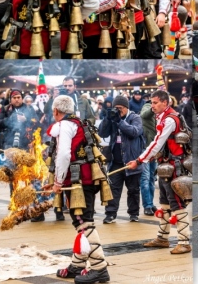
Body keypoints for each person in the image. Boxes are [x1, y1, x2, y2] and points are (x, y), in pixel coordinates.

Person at [49, 95, 111, 283]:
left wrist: (58, 181)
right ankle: (77, 265)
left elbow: (64, 155)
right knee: (82, 221)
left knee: (84, 223)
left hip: (78, 180)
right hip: (87, 177)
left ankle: (99, 268)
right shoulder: (79, 122)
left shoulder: (64, 125)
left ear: (56, 111)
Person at [127, 89, 192, 255]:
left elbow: (156, 143)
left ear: (165, 102)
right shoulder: (164, 117)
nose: (152, 105)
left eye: (155, 103)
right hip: (166, 164)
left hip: (174, 165)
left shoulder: (170, 119)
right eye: (152, 102)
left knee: (176, 204)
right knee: (164, 202)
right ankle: (163, 238)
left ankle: (184, 241)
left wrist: (139, 160)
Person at [99, 95, 145, 224]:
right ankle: (110, 214)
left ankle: (134, 213)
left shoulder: (135, 118)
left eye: (120, 108)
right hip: (116, 161)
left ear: (126, 107)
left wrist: (119, 121)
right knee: (113, 189)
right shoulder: (113, 118)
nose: (118, 111)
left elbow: (134, 132)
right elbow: (102, 133)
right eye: (115, 108)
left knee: (133, 190)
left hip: (132, 161)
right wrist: (108, 118)